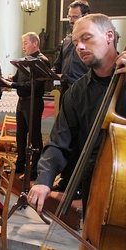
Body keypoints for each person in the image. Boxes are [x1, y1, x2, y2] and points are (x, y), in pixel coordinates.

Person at [28, 14, 126, 216]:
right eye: (75, 43)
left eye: (86, 38)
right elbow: (59, 141)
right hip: (94, 182)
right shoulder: (76, 92)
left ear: (109, 36)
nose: (79, 47)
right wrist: (44, 179)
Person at [50, 0, 90, 195]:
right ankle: (66, 180)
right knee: (66, 136)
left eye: (75, 16)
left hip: (85, 91)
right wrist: (51, 71)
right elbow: (58, 64)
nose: (71, 20)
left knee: (82, 138)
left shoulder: (90, 40)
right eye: (70, 16)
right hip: (67, 90)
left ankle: (80, 184)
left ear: (85, 16)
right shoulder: (67, 40)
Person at [4, 32, 50, 181]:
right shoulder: (24, 61)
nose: (23, 46)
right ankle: (20, 164)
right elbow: (17, 79)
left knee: (34, 135)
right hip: (22, 101)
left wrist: (13, 84)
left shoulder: (41, 60)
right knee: (20, 135)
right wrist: (6, 80)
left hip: (33, 101)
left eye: (25, 43)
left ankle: (35, 168)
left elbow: (35, 85)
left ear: (35, 43)